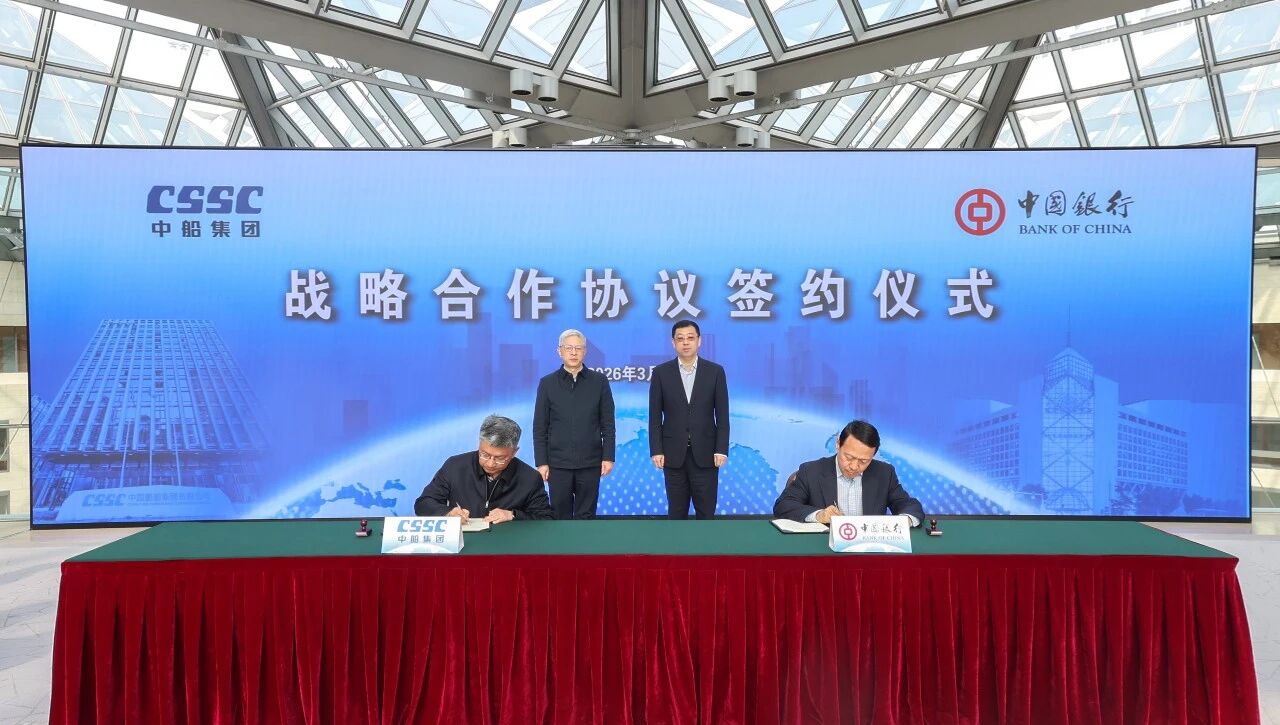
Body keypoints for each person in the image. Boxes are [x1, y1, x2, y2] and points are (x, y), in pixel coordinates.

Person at [648, 320, 729, 519]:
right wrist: (656, 450)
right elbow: (655, 416)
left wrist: (721, 449)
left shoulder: (715, 372)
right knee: (676, 513)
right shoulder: (661, 373)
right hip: (673, 454)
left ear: (699, 341)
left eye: (690, 338)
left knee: (706, 512)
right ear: (673, 342)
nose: (686, 342)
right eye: (680, 338)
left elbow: (722, 415)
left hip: (707, 454)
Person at [774, 419, 924, 526]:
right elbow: (783, 505)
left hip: (870, 550)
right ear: (838, 444)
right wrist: (819, 515)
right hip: (825, 550)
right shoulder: (811, 471)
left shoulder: (884, 473)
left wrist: (905, 520)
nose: (854, 466)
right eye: (849, 457)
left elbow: (908, 504)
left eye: (863, 461)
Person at [532, 329, 616, 519]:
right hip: (557, 464)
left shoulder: (599, 382)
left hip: (591, 462)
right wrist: (542, 462)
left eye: (578, 348)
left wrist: (608, 457)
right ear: (559, 351)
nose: (573, 352)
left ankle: (585, 541)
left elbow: (608, 423)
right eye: (568, 348)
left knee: (586, 515)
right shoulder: (547, 383)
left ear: (585, 351)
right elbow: (540, 427)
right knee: (559, 515)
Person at [414, 414, 553, 524]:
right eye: (485, 455)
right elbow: (423, 503)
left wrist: (513, 515)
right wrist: (448, 513)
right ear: (479, 444)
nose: (491, 464)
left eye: (499, 458)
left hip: (508, 544)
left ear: (514, 452)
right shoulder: (455, 466)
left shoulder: (530, 478)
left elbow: (546, 519)